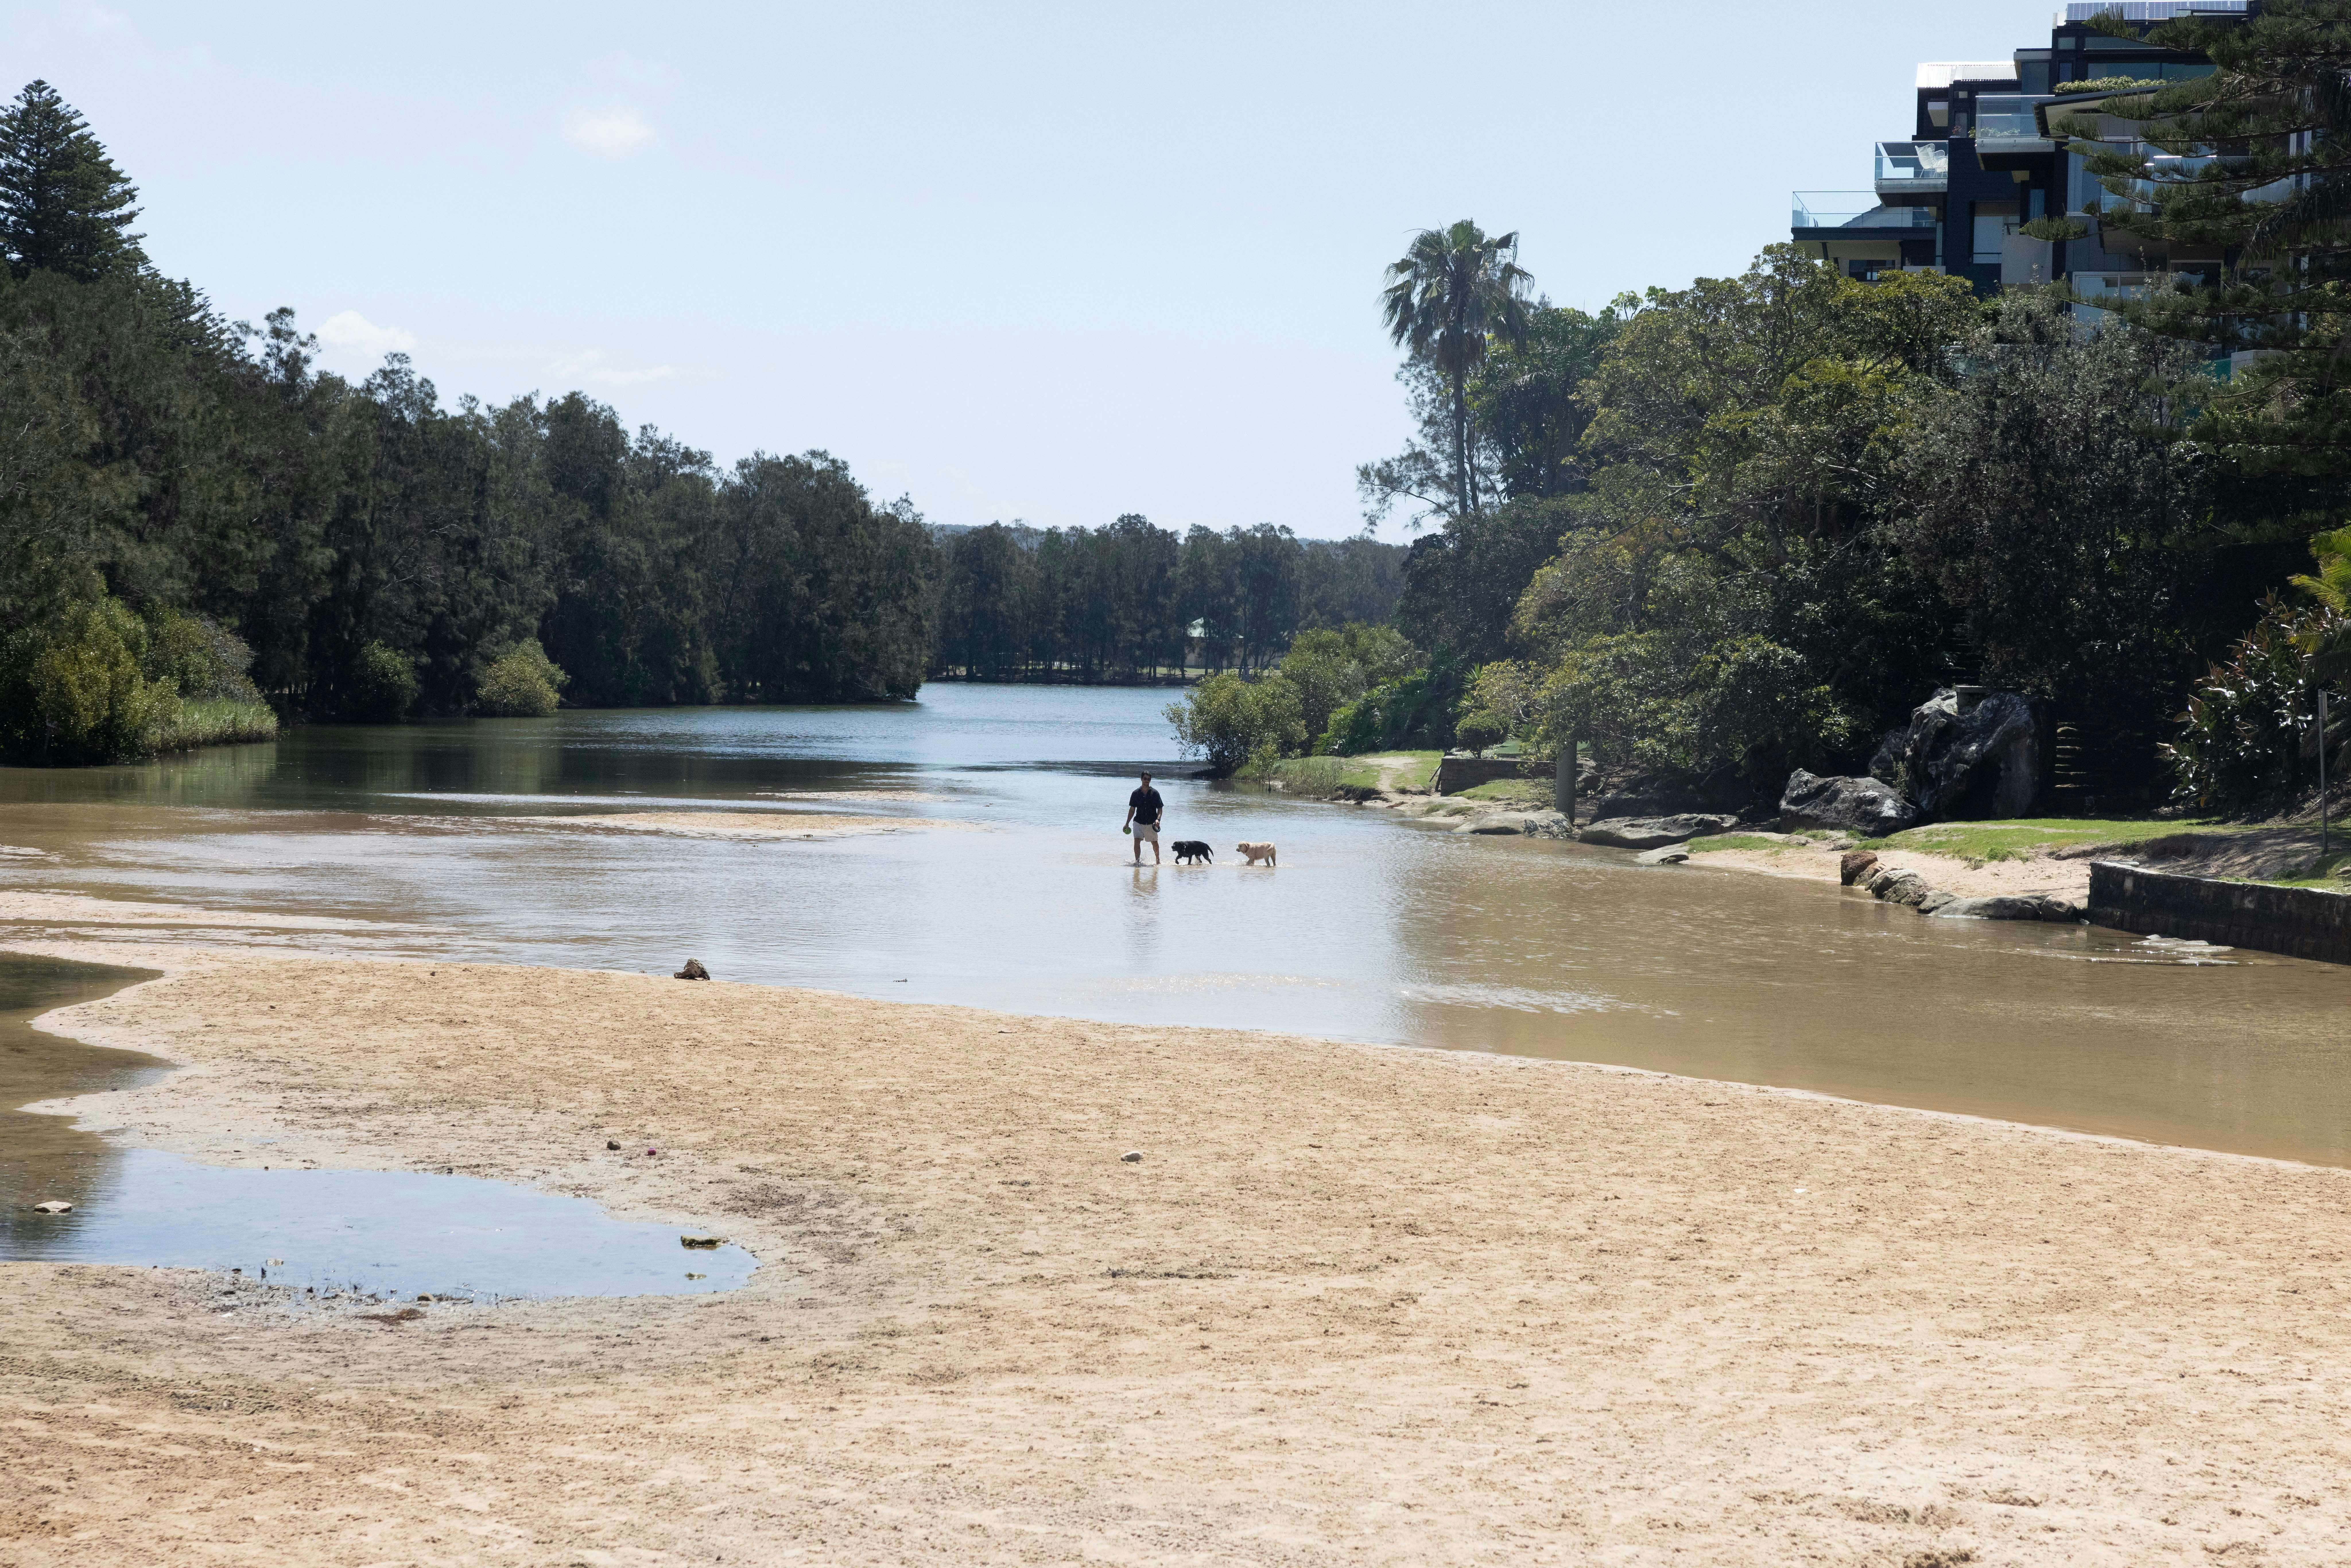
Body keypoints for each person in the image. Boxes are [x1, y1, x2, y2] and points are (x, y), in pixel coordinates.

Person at [1123, 771, 1163, 865]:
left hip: (1151, 823)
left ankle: (1158, 862)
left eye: (1149, 779)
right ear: (1141, 779)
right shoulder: (1135, 793)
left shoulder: (1155, 793)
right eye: (1145, 779)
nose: (1147, 781)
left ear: (1150, 780)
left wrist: (1158, 820)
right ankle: (1137, 862)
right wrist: (1127, 823)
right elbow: (1132, 809)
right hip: (1138, 822)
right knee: (1137, 841)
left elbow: (1160, 809)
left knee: (1155, 843)